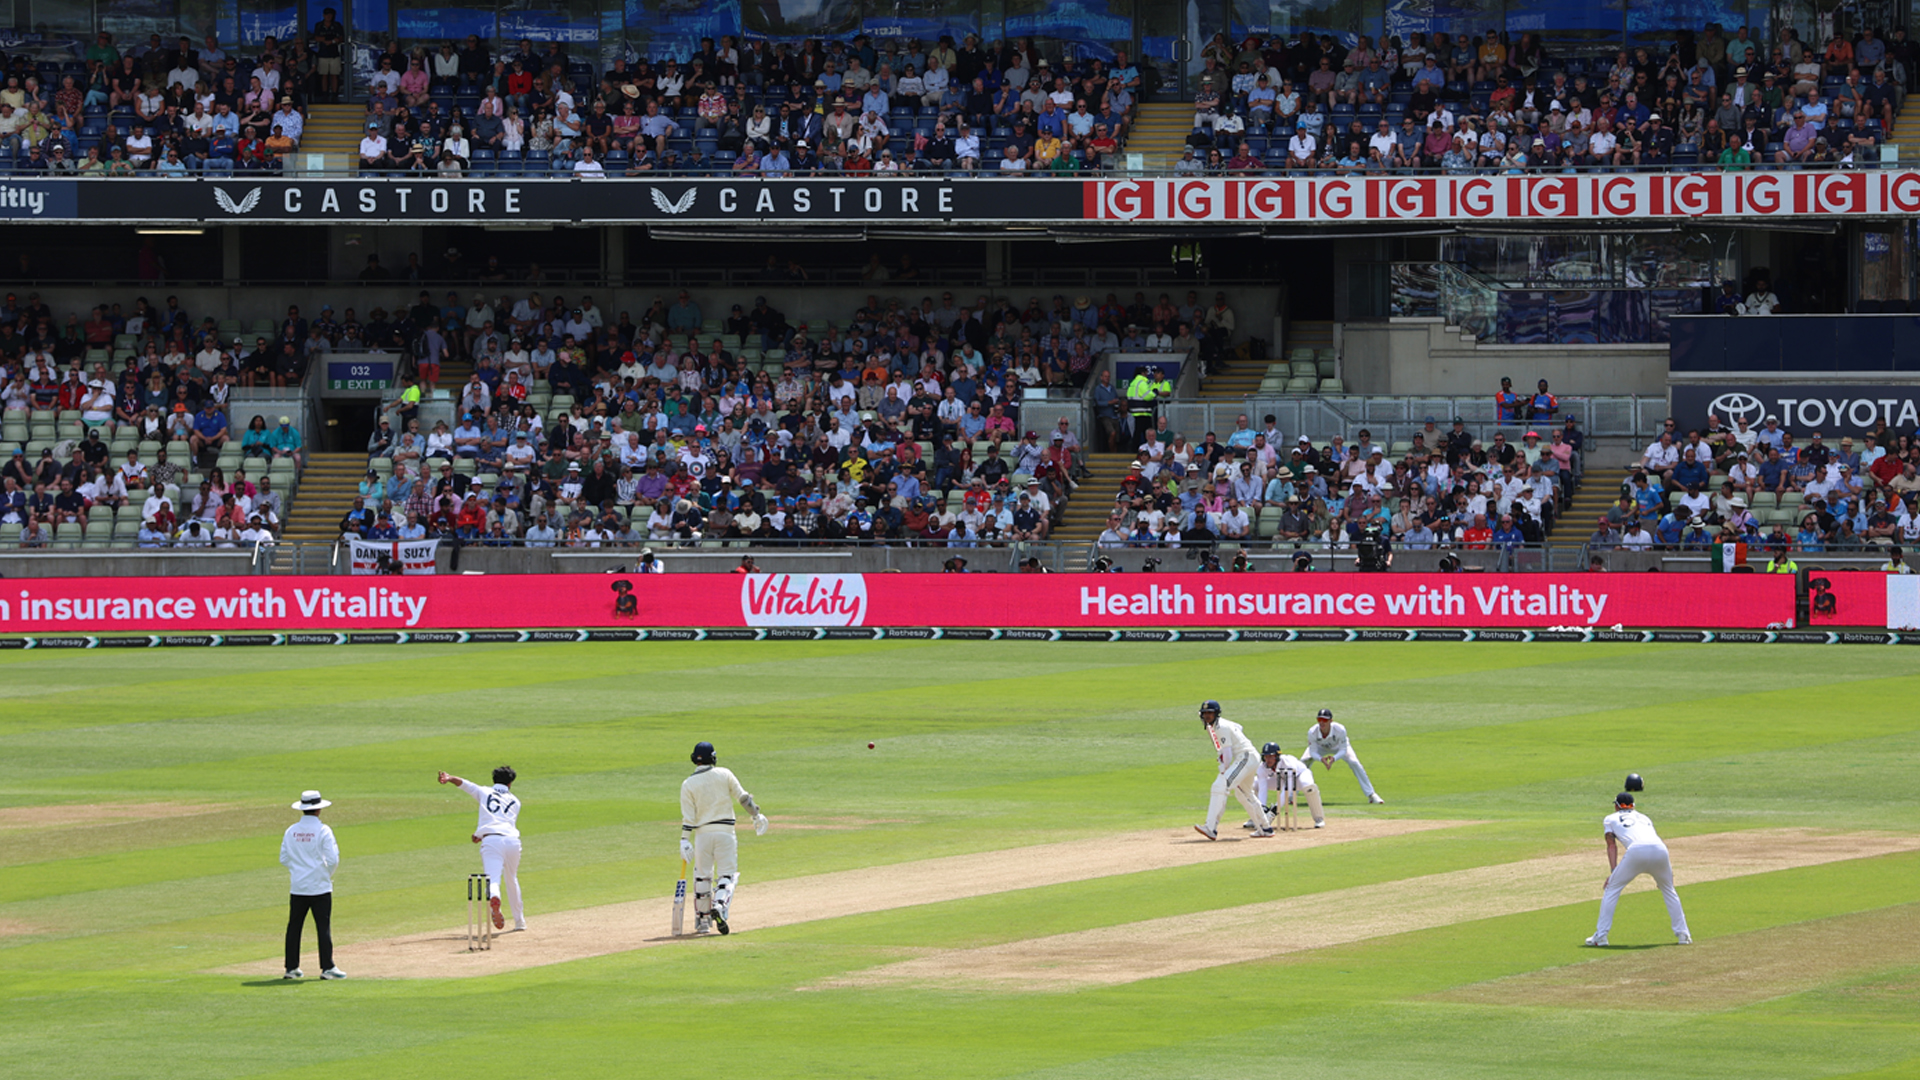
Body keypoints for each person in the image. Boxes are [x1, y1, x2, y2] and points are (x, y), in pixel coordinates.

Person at [679, 740, 767, 935]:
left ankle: (702, 923)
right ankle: (719, 905)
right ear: (714, 757)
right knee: (727, 875)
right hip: (725, 833)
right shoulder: (725, 774)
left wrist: (684, 840)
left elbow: (689, 818)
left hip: (702, 835)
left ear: (695, 759)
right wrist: (756, 815)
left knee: (702, 875)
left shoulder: (688, 784)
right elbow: (743, 798)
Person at [1585, 789, 1691, 947]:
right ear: (1633, 806)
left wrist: (1613, 873)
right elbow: (1652, 841)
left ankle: (1601, 936)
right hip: (1660, 849)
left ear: (1616, 806)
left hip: (1636, 851)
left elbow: (1611, 846)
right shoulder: (1644, 817)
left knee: (1612, 888)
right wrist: (1666, 875)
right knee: (1668, 889)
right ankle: (1684, 935)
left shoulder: (1610, 819)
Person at [437, 765, 526, 932]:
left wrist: (449, 778)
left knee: (493, 880)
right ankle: (520, 922)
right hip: (512, 841)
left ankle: (494, 897)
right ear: (510, 783)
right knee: (512, 879)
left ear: (494, 780)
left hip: (491, 841)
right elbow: (503, 820)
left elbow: (465, 784)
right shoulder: (516, 801)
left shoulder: (485, 791)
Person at [278, 789, 345, 980]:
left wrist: (299, 871)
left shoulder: (291, 831)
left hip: (298, 886)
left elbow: (284, 858)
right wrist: (325, 875)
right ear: (318, 810)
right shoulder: (323, 830)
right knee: (322, 927)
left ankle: (291, 968)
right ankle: (328, 968)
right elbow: (332, 860)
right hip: (319, 886)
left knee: (294, 926)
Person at [1194, 699, 1271, 840]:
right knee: (1246, 794)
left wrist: (1224, 767)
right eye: (1205, 713)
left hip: (1245, 757)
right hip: (1249, 757)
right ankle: (1265, 828)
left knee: (1220, 785)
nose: (1207, 716)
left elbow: (1228, 753)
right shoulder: (1223, 724)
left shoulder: (1221, 727)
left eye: (1210, 713)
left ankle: (1211, 827)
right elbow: (1238, 727)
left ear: (1216, 714)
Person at [1302, 707, 1384, 803]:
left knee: (1354, 762)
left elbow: (1343, 750)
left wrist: (1334, 758)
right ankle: (1290, 796)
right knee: (1303, 762)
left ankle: (1371, 795)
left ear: (1330, 721)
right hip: (1320, 747)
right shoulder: (1312, 732)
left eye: (1324, 720)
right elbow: (1313, 752)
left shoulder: (1340, 730)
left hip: (1338, 746)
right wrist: (1321, 759)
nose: (1321, 722)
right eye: (1319, 719)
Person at [1249, 741, 1325, 829]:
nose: (1268, 760)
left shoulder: (1288, 763)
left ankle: (1319, 819)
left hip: (1299, 777)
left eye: (1270, 756)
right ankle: (1255, 818)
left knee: (1309, 787)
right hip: (1281, 779)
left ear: (1277, 756)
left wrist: (1274, 811)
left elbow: (1287, 790)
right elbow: (1263, 789)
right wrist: (1262, 809)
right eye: (1266, 756)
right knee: (1253, 784)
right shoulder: (1262, 767)